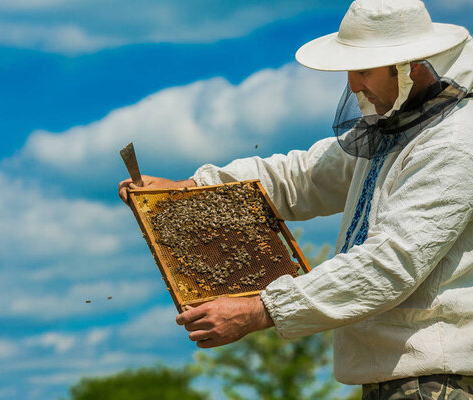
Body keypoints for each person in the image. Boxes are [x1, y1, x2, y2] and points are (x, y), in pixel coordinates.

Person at [118, 0, 473, 398]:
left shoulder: (454, 143)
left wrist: (260, 309)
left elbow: (391, 262)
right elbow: (301, 176)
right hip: (399, 377)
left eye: (364, 70)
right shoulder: (393, 131)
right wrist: (191, 188)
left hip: (438, 379)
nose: (354, 85)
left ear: (409, 66)